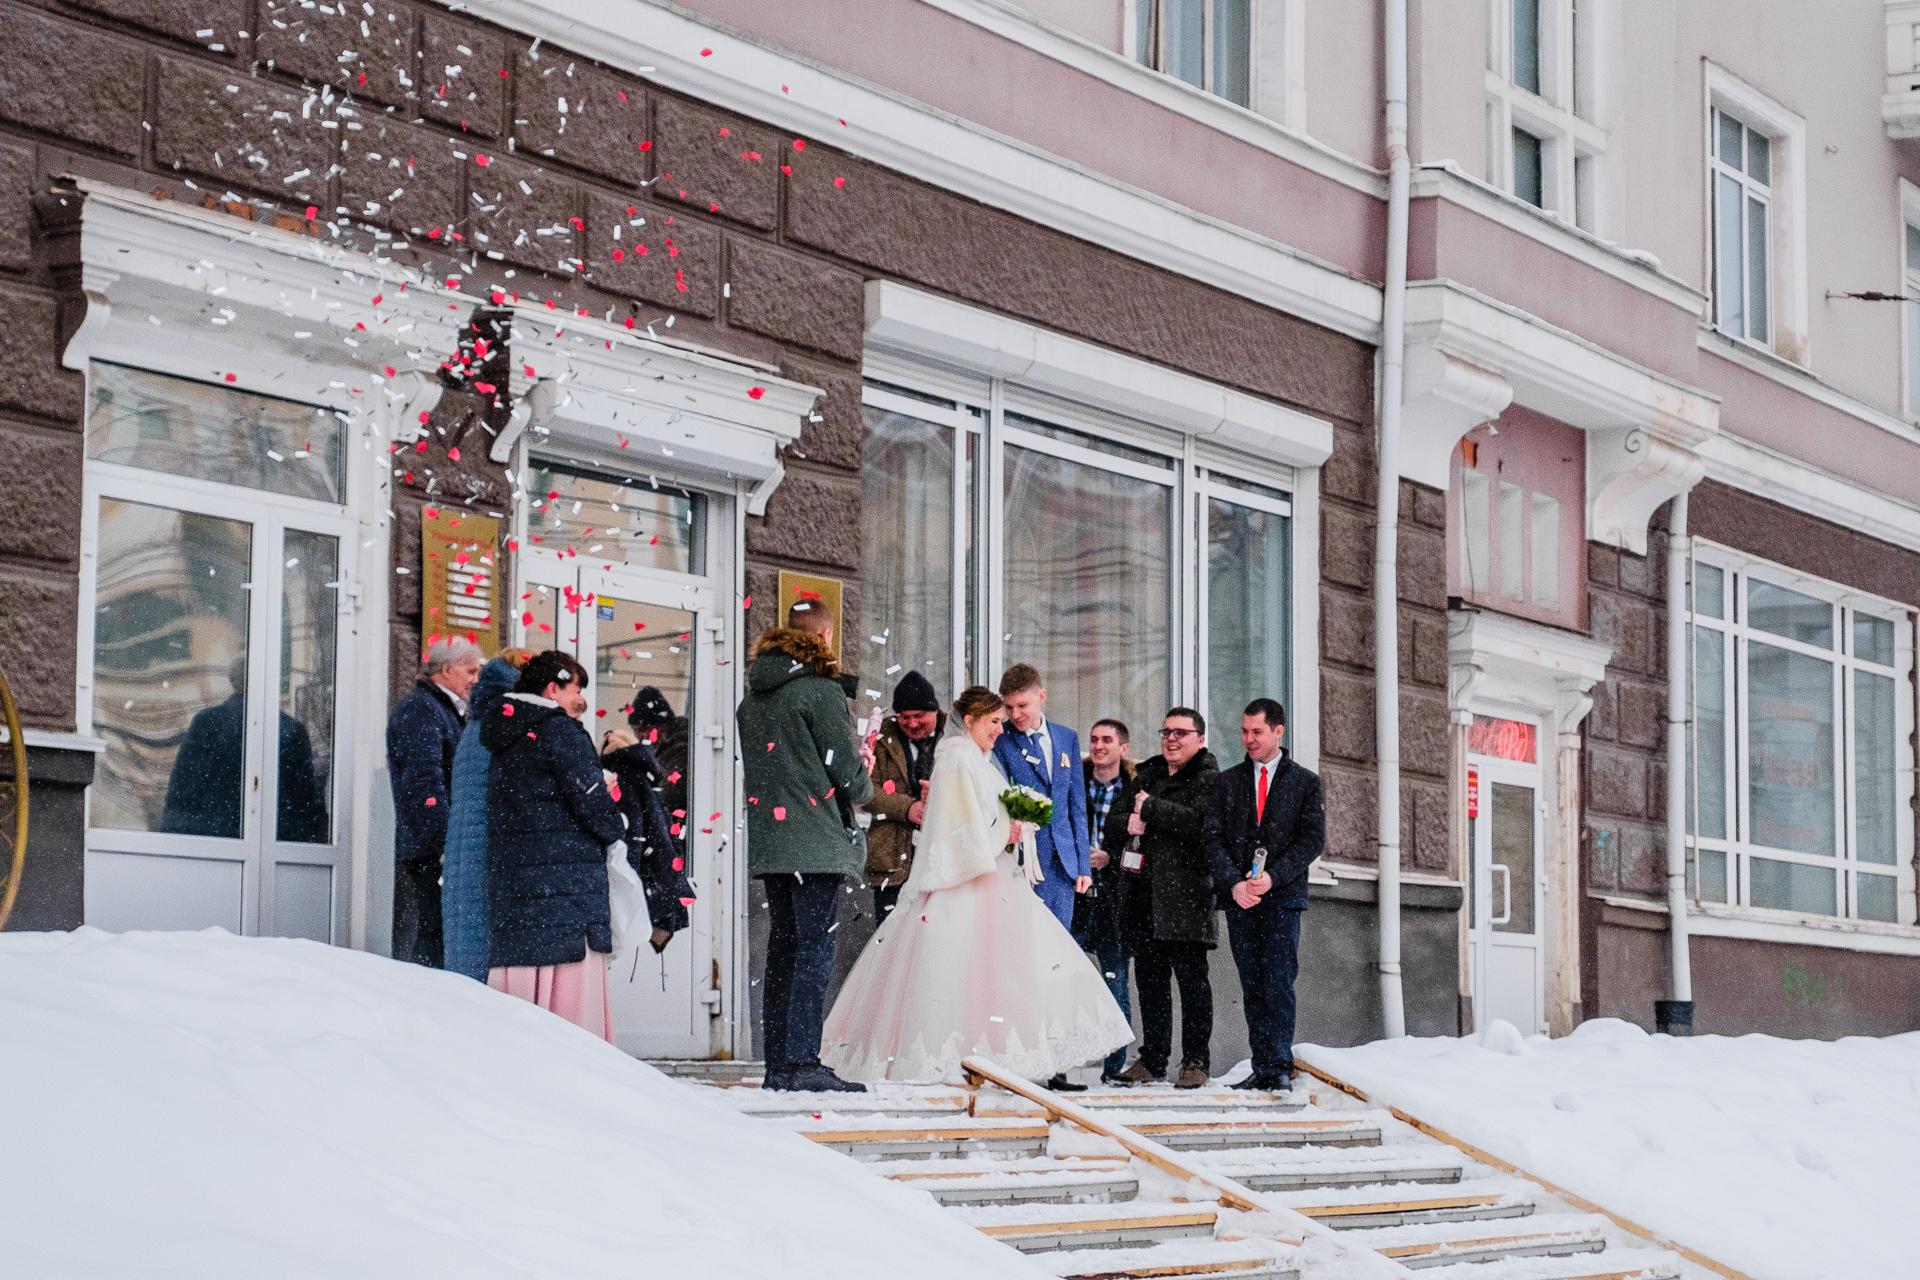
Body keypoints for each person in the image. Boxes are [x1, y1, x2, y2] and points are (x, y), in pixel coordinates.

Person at [821, 687, 1133, 1084]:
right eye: (994, 722)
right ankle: (958, 1055)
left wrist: (1012, 820)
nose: (1000, 730)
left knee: (997, 973)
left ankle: (990, 1055)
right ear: (970, 722)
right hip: (966, 880)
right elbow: (958, 829)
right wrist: (1008, 829)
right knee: (964, 972)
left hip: (990, 877)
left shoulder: (976, 759)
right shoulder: (956, 760)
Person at [737, 601, 875, 1093]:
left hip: (773, 842)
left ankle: (780, 1064)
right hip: (816, 841)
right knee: (814, 950)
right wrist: (866, 776)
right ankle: (802, 1063)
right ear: (825, 635)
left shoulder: (752, 699)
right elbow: (850, 777)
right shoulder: (819, 693)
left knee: (784, 949)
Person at [480, 650, 628, 1039]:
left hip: (518, 899)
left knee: (519, 1019)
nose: (581, 701)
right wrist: (618, 823)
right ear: (552, 688)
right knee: (570, 1024)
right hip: (564, 895)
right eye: (576, 689)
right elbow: (591, 802)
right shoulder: (559, 730)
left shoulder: (503, 735)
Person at [1206, 699, 1324, 1093]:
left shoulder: (1304, 782)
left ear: (1278, 731)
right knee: (1252, 985)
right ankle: (1261, 1063)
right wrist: (1233, 884)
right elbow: (1213, 839)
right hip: (1242, 899)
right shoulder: (1228, 782)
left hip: (1280, 899)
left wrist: (1273, 878)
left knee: (1277, 981)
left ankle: (1278, 1065)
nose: (1248, 739)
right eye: (1244, 731)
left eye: (1256, 732)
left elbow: (1311, 841)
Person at [1109, 707, 1220, 1090]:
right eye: (1166, 732)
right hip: (1143, 897)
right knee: (1150, 983)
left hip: (1186, 899)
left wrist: (1150, 809)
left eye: (1181, 733)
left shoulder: (1209, 778)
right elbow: (1114, 818)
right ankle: (1153, 1058)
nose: (1171, 739)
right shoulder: (1148, 772)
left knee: (1192, 985)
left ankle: (1195, 1061)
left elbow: (1202, 824)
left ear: (1200, 739)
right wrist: (1129, 821)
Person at [162, 654, 330, 845]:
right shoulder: (291, 730)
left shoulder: (207, 722)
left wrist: (172, 836)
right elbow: (303, 800)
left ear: (232, 681)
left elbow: (182, 786)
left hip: (208, 840)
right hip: (274, 843)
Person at [386, 638, 482, 968]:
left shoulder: (443, 709)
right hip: (431, 848)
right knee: (433, 931)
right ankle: (428, 1000)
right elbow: (423, 782)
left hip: (434, 845)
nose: (475, 679)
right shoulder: (422, 710)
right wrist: (443, 840)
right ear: (446, 669)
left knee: (438, 930)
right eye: (471, 671)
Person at [441, 647, 532, 982]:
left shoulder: (478, 722)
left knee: (467, 943)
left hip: (466, 851)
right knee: (488, 957)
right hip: (491, 850)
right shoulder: (506, 725)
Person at [991, 663, 1091, 928]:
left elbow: (1076, 806)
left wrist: (1083, 865)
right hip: (1023, 860)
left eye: (1022, 705)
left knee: (1061, 943)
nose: (1015, 714)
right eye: (1008, 707)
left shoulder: (1066, 737)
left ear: (1041, 696)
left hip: (1063, 862)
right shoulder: (1001, 739)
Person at [1075, 718, 1138, 1083]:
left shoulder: (1133, 789)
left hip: (1116, 897)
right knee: (1065, 975)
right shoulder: (1076, 782)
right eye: (1094, 739)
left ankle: (1114, 1064)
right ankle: (1067, 1061)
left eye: (1107, 740)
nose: (1099, 746)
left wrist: (1111, 857)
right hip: (1078, 893)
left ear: (1123, 749)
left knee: (1115, 978)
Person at [600, 725, 696, 951]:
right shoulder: (645, 779)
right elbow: (658, 838)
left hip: (635, 889)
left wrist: (627, 888)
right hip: (656, 884)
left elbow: (632, 840)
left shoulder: (622, 778)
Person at [861, 671, 944, 922]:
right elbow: (864, 790)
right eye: (904, 717)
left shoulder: (952, 737)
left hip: (940, 862)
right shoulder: (879, 736)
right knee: (888, 942)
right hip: (891, 863)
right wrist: (908, 808)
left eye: (920, 716)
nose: (912, 723)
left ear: (936, 713)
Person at [626, 685, 689, 834]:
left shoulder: (681, 747)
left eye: (643, 729)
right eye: (635, 731)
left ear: (662, 725)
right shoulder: (659, 749)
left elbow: (667, 794)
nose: (639, 736)